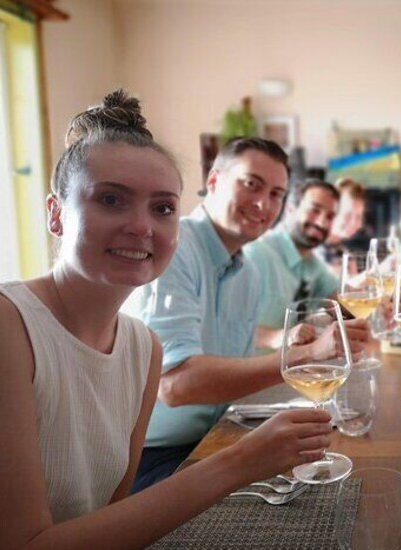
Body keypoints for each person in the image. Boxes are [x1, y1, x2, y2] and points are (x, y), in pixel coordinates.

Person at [0, 91, 333, 550]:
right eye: (111, 199)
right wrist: (240, 461)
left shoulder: (142, 347)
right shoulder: (9, 327)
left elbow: (113, 524)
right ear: (55, 213)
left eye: (162, 208)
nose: (142, 226)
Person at [124, 141, 366, 491]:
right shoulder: (174, 249)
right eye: (251, 184)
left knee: (333, 479)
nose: (263, 204)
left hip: (220, 434)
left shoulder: (247, 271)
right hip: (157, 456)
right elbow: (174, 385)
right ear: (213, 181)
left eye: (276, 193)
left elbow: (245, 346)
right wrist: (304, 355)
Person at [243, 178, 343, 352]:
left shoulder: (312, 264)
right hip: (246, 374)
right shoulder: (256, 253)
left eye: (330, 216)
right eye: (314, 210)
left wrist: (387, 300)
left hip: (291, 372)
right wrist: (280, 337)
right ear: (290, 209)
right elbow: (220, 325)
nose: (322, 223)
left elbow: (344, 299)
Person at [314, 177, 366, 270]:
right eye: (348, 215)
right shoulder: (312, 249)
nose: (355, 223)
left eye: (358, 216)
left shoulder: (343, 251)